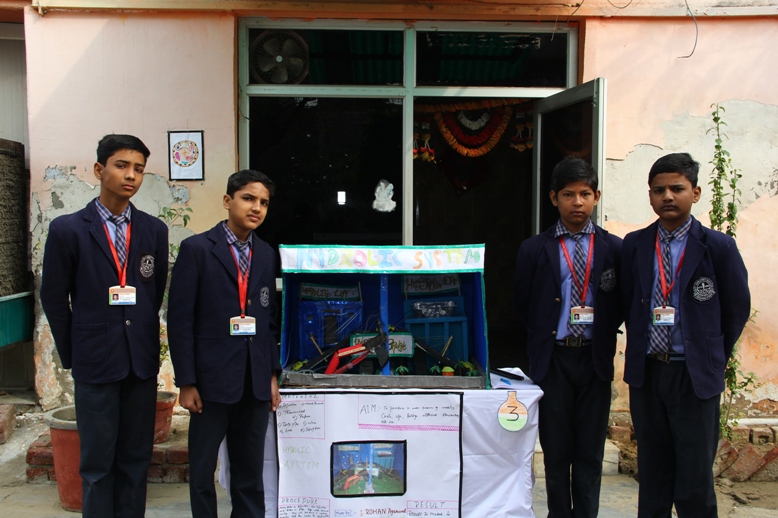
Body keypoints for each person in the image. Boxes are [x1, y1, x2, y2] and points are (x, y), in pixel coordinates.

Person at [40, 134, 169, 518]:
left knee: (136, 461)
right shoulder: (68, 230)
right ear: (99, 169)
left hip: (140, 364)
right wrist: (75, 353)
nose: (131, 176)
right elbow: (54, 298)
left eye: (139, 169)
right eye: (122, 165)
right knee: (97, 466)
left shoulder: (153, 230)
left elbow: (153, 291)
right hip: (95, 362)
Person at [622, 152, 750, 517]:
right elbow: (628, 300)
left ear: (695, 193)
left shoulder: (718, 247)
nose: (667, 196)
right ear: (650, 195)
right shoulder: (634, 245)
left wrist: (710, 355)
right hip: (648, 373)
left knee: (694, 477)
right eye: (658, 190)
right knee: (653, 473)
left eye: (676, 189)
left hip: (694, 376)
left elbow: (736, 308)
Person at [168, 169, 282, 517]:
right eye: (248, 198)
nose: (256, 208)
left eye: (264, 202)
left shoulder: (266, 254)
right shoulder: (197, 250)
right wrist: (186, 381)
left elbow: (269, 321)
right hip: (210, 382)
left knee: (250, 472)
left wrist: (271, 375)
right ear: (227, 201)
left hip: (254, 381)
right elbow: (181, 320)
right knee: (203, 470)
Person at [514, 157, 622, 518]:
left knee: (590, 452)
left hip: (594, 358)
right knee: (556, 451)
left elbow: (621, 302)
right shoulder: (534, 249)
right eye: (568, 194)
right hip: (554, 359)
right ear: (553, 198)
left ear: (596, 197)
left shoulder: (614, 248)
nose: (577, 202)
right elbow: (524, 302)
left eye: (585, 194)